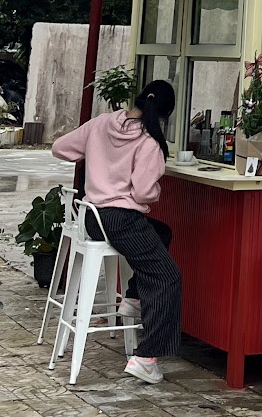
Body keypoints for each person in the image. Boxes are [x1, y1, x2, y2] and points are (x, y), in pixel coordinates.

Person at [51, 80, 181, 384]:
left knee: (162, 233)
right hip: (121, 220)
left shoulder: (101, 123)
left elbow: (60, 148)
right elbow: (144, 192)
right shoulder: (149, 142)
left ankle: (133, 299)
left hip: (92, 217)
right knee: (168, 277)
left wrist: (95, 159)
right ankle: (147, 357)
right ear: (163, 114)